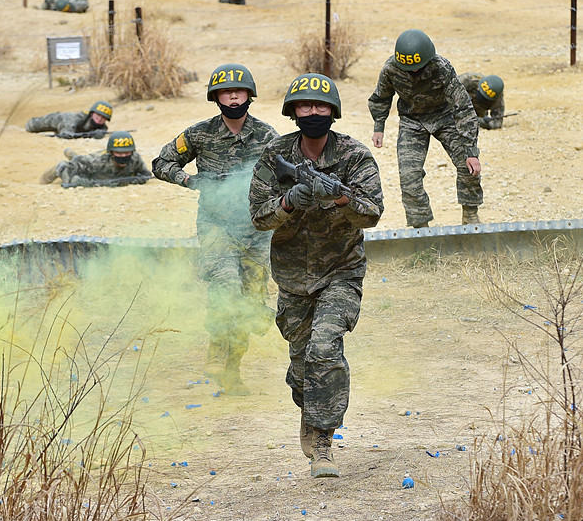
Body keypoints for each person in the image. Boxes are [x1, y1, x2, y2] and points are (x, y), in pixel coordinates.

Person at [249, 73, 383, 478]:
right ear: (292, 112)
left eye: (320, 107)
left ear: (333, 112)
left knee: (324, 348)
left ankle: (324, 442)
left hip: (341, 270)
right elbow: (258, 217)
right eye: (305, 106)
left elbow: (373, 212)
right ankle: (310, 409)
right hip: (291, 276)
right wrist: (289, 202)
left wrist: (338, 196)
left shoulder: (355, 156)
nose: (313, 112)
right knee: (301, 366)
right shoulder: (274, 156)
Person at [152, 63, 279, 396]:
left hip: (256, 229)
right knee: (226, 285)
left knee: (251, 302)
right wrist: (191, 181)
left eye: (238, 90)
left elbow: (288, 174)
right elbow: (161, 163)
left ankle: (232, 369)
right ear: (216, 97)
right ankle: (216, 348)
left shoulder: (268, 136)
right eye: (226, 91)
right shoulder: (198, 134)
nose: (233, 96)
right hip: (216, 226)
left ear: (249, 95)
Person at [368, 29, 482, 227]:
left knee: (468, 164)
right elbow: (381, 97)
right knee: (409, 175)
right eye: (408, 68)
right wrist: (379, 126)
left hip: (444, 117)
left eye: (418, 67)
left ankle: (470, 214)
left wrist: (471, 151)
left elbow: (463, 107)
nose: (413, 72)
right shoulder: (391, 68)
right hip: (412, 121)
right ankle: (420, 227)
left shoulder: (442, 67)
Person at [39, 130, 152, 187]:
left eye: (127, 152)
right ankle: (71, 156)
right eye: (119, 153)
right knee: (67, 168)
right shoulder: (96, 162)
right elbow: (72, 169)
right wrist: (80, 181)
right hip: (87, 165)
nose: (123, 156)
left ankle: (72, 154)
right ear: (111, 152)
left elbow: (146, 174)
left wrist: (133, 180)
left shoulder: (135, 159)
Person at [26, 100, 112, 139]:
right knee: (31, 126)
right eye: (98, 115)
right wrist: (68, 133)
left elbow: (102, 134)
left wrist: (98, 135)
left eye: (103, 117)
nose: (100, 119)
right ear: (92, 113)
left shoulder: (102, 128)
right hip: (59, 120)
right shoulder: (77, 118)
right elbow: (67, 130)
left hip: (73, 129)